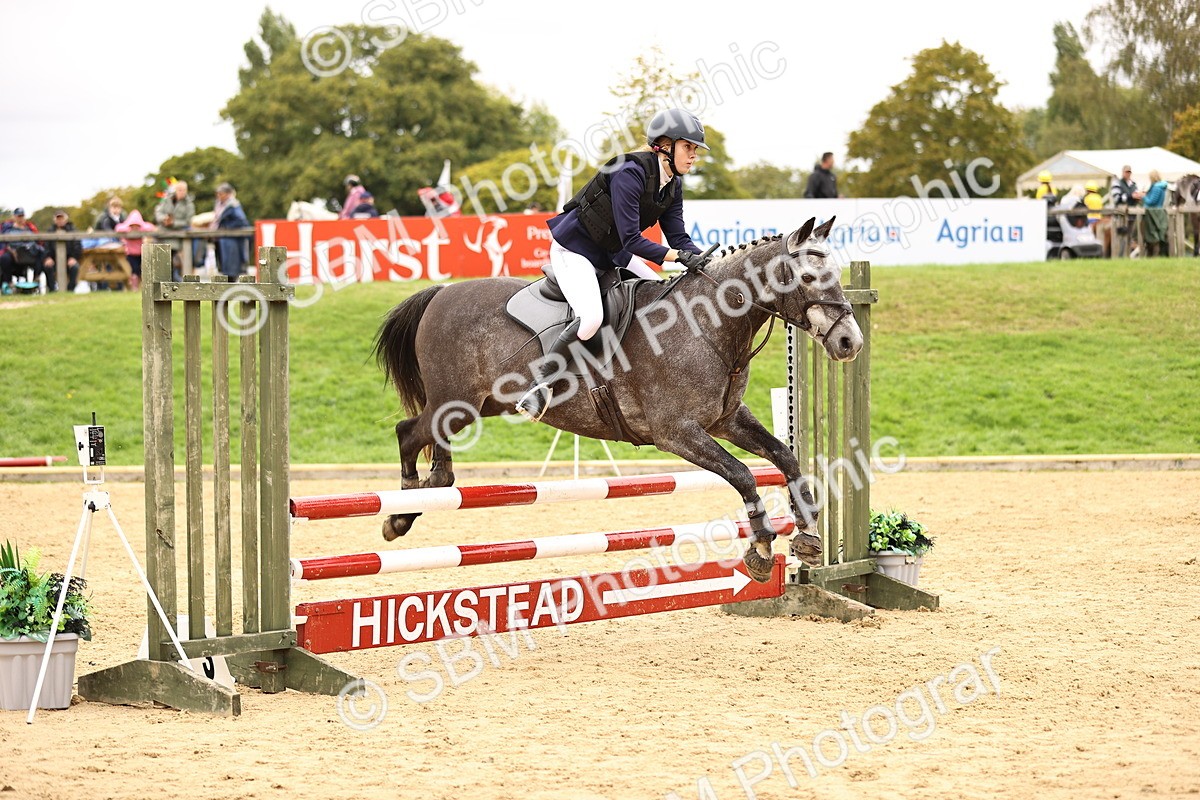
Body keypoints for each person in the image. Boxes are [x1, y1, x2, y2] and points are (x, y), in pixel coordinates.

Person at [514, 107, 709, 421]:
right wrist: (675, 258)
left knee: (659, 294)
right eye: (688, 147)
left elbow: (678, 237)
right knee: (590, 318)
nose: (694, 155)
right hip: (575, 250)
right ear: (664, 145)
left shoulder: (672, 184)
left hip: (612, 252)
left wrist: (705, 261)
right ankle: (539, 386)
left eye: (695, 150)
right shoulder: (628, 172)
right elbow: (632, 239)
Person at [154, 181, 195, 279]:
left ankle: (174, 281)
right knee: (160, 261)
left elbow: (188, 221)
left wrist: (173, 223)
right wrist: (164, 219)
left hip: (176, 237)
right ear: (175, 190)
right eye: (180, 190)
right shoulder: (166, 199)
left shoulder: (189, 204)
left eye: (184, 190)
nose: (182, 192)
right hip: (162, 234)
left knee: (173, 262)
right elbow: (158, 213)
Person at [210, 183, 250, 278]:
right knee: (225, 267)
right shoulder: (219, 204)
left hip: (231, 240)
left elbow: (241, 220)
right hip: (222, 238)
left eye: (221, 193)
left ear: (228, 194)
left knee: (232, 268)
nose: (218, 196)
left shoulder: (233, 205)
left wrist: (227, 227)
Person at [0, 208, 44, 294]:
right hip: (13, 254)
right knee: (4, 258)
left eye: (22, 216)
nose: (20, 218)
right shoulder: (8, 230)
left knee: (42, 253)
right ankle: (8, 283)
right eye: (18, 216)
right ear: (14, 217)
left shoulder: (30, 228)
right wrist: (12, 251)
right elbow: (5, 244)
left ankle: (36, 279)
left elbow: (37, 242)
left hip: (29, 253)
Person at [42, 210, 83, 292]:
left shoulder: (73, 231)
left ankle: (70, 290)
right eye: (58, 219)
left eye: (62, 218)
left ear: (66, 219)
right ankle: (52, 289)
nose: (60, 221)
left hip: (69, 258)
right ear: (55, 220)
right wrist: (48, 257)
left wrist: (73, 258)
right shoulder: (50, 231)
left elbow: (78, 246)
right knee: (47, 266)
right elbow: (45, 247)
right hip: (54, 259)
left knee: (75, 267)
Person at [115, 210, 155, 290]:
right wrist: (129, 229)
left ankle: (142, 286)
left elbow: (151, 227)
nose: (134, 227)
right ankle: (134, 286)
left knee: (142, 270)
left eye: (137, 225)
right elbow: (118, 228)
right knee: (134, 270)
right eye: (132, 225)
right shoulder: (127, 230)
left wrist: (140, 228)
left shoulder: (142, 229)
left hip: (141, 253)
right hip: (130, 254)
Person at [1141, 169, 1170, 257]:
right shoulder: (1161, 187)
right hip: (1158, 212)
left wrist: (1143, 197)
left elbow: (1151, 201)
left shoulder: (1157, 187)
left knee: (1153, 235)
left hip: (1152, 213)